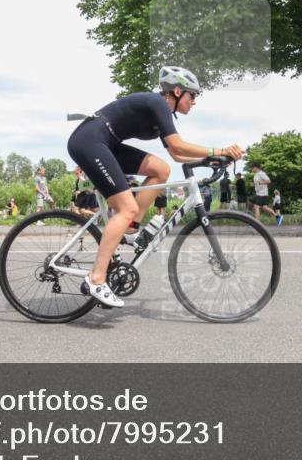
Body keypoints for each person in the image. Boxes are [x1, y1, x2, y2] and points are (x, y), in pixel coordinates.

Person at [65, 65, 243, 308]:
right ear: (178, 91)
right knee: (126, 206)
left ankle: (130, 228)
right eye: (193, 95)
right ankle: (96, 279)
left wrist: (212, 159)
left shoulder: (163, 112)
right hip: (90, 141)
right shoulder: (158, 103)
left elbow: (176, 156)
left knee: (160, 170)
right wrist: (220, 150)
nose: (194, 102)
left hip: (107, 143)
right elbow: (178, 147)